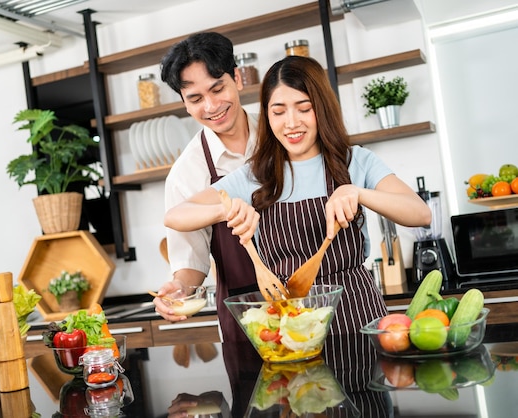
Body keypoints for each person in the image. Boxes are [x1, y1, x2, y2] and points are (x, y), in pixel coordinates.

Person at [164, 55, 431, 367]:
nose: (291, 123)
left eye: (304, 108)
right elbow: (176, 216)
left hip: (357, 315)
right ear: (267, 115)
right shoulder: (254, 176)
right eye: (278, 112)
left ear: (322, 108)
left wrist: (359, 192)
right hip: (291, 329)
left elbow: (420, 214)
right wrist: (226, 209)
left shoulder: (355, 161)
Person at [153, 32, 260, 343]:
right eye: (196, 99)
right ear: (185, 104)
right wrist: (180, 290)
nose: (212, 106)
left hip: (312, 304)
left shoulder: (280, 131)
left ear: (237, 78)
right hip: (247, 322)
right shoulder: (186, 175)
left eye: (218, 89)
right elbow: (191, 266)